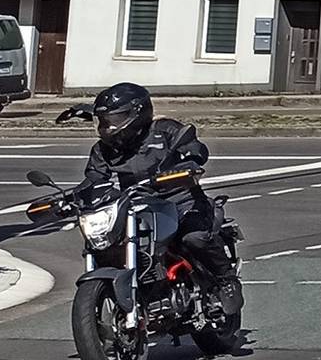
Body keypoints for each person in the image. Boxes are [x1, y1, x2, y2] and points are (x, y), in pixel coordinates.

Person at [68, 82, 230, 268]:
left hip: (179, 200)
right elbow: (95, 178)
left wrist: (190, 159)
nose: (107, 127)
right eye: (103, 121)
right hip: (135, 205)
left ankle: (226, 280)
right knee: (107, 245)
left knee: (194, 238)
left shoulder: (164, 130)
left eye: (114, 120)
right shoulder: (103, 149)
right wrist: (74, 198)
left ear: (137, 114)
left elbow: (195, 149)